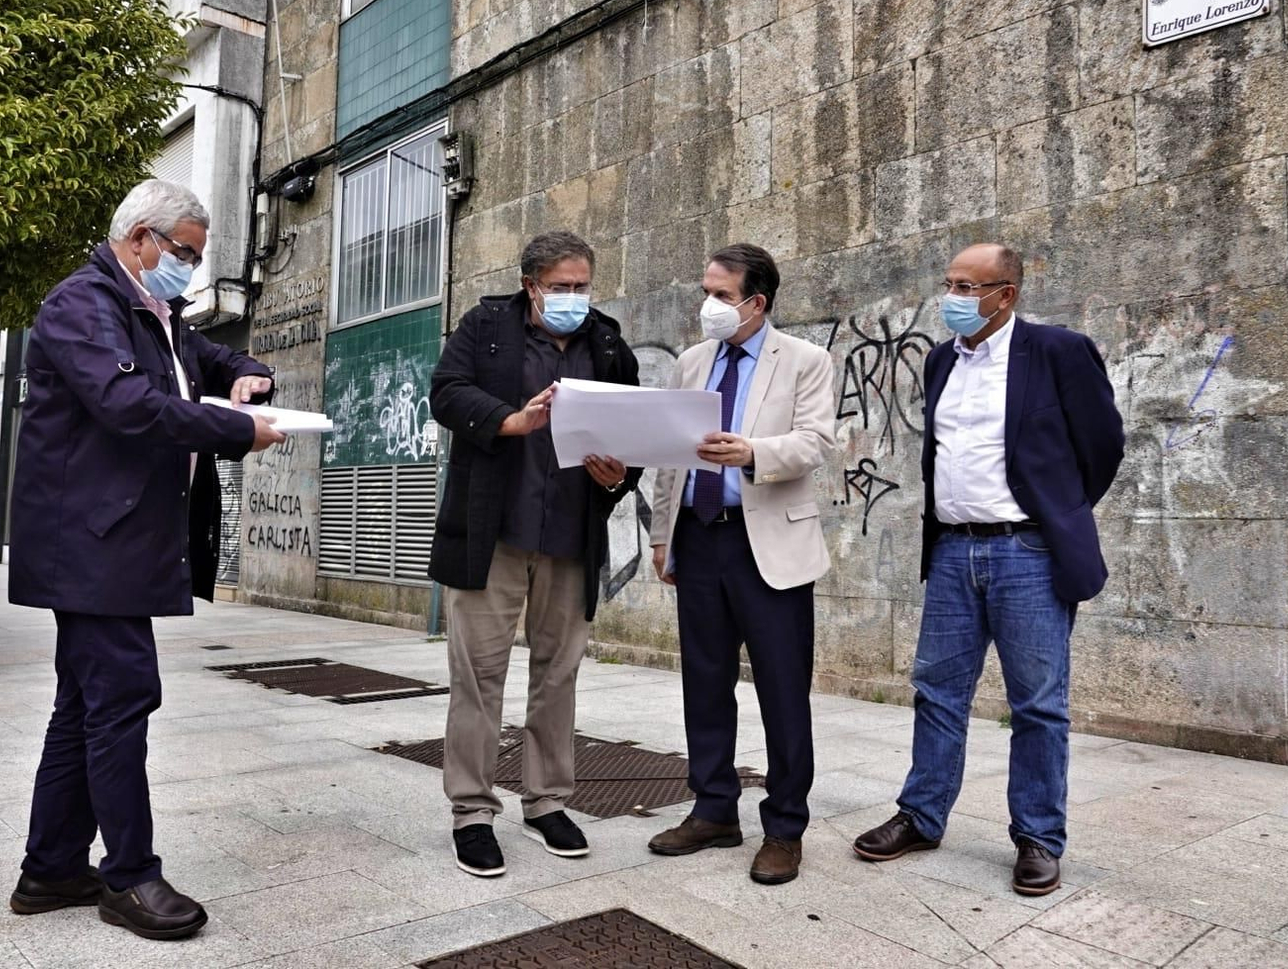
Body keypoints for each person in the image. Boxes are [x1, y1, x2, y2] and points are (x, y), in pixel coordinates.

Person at [6, 180, 283, 939]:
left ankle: (51, 867)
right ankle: (129, 876)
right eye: (183, 251)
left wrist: (245, 374)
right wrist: (236, 430)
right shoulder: (82, 305)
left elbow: (206, 355)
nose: (190, 268)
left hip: (116, 539)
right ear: (140, 240)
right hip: (92, 543)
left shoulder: (153, 314)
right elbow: (128, 405)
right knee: (123, 697)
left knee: (83, 706)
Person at [852, 243, 1124, 897]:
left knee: (1036, 704)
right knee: (938, 691)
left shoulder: (1058, 351)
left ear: (1005, 294)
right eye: (949, 283)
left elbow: (1103, 444)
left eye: (968, 287)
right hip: (951, 551)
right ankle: (921, 815)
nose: (954, 297)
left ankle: (1037, 837)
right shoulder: (942, 358)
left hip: (1026, 552)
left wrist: (1057, 510)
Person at [428, 230, 640, 877]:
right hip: (493, 534)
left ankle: (547, 801)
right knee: (478, 675)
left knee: (558, 675)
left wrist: (616, 475)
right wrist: (509, 420)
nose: (574, 298)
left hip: (570, 537)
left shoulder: (606, 342)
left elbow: (632, 437)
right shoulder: (486, 326)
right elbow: (445, 391)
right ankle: (471, 811)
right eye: (562, 287)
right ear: (532, 285)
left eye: (582, 286)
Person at [646, 243, 836, 885]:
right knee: (704, 683)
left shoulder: (806, 360)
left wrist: (752, 451)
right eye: (706, 291)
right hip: (699, 539)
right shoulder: (693, 363)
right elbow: (672, 455)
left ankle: (785, 826)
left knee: (783, 690)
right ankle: (713, 810)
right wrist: (661, 537)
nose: (709, 306)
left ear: (757, 302)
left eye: (722, 295)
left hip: (769, 546)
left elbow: (816, 440)